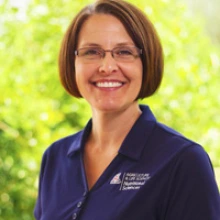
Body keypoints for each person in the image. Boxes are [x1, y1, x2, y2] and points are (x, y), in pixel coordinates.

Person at [34, 0, 220, 219]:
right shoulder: (55, 159)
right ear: (71, 62)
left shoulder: (183, 161)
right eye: (92, 52)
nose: (107, 66)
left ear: (146, 62)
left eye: (124, 52)